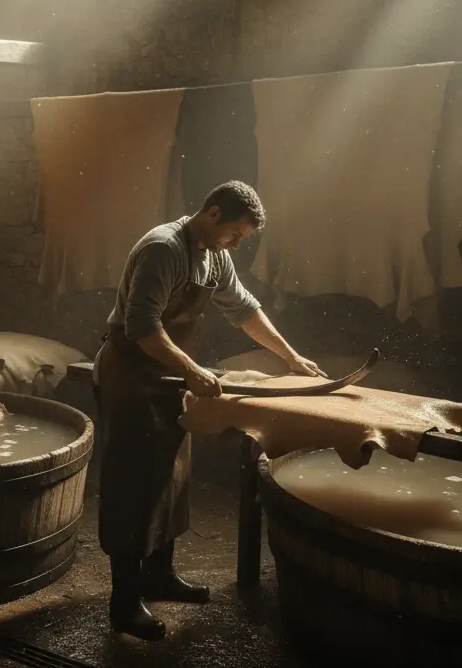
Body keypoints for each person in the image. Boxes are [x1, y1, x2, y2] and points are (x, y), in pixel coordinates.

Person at [95, 180, 323, 641]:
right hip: (131, 373)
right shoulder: (164, 249)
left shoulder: (216, 255)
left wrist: (291, 357)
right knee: (131, 485)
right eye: (236, 234)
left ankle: (159, 577)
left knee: (170, 477)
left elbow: (244, 310)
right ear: (213, 213)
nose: (237, 244)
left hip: (168, 376)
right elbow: (141, 327)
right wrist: (192, 368)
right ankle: (124, 603)